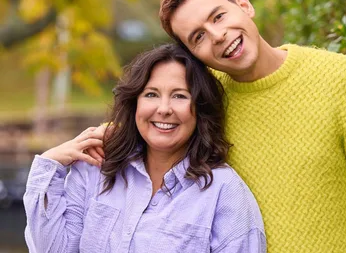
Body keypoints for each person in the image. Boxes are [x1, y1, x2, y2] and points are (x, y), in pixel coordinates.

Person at [156, 0, 346, 253]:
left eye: (218, 17)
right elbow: (150, 119)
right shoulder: (205, 100)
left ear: (244, 5)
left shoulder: (338, 79)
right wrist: (96, 139)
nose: (217, 36)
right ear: (194, 56)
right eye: (198, 36)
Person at [23, 44, 266, 253]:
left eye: (180, 96)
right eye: (151, 94)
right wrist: (50, 163)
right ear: (134, 104)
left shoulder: (223, 191)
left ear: (200, 109)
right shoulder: (96, 168)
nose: (163, 109)